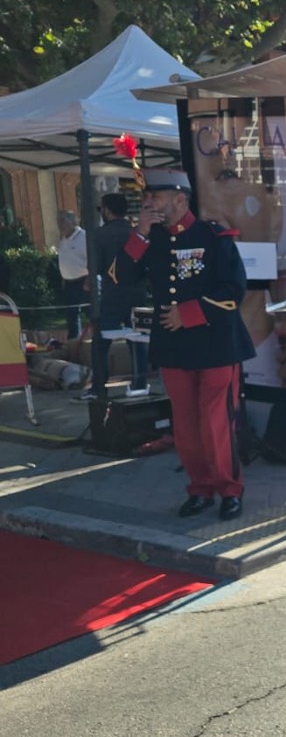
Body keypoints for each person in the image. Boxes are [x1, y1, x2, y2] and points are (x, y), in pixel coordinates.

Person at [112, 168, 254, 520]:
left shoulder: (213, 235)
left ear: (180, 198)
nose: (148, 203)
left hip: (216, 345)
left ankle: (229, 489)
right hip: (174, 348)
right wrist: (141, 233)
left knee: (215, 423)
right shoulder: (150, 239)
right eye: (146, 198)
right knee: (186, 425)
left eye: (154, 197)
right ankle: (201, 488)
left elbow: (233, 290)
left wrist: (187, 313)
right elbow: (118, 278)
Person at [83, 193, 151, 401]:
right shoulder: (136, 233)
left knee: (101, 342)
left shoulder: (99, 235)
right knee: (138, 341)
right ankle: (140, 383)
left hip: (112, 295)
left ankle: (98, 387)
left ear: (106, 210)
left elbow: (96, 267)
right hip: (138, 293)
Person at [55, 209, 88, 340]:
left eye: (63, 220)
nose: (60, 224)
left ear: (73, 221)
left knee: (92, 313)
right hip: (69, 283)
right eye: (58, 221)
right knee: (71, 316)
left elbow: (92, 259)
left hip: (84, 281)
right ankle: (74, 342)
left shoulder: (84, 237)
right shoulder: (63, 240)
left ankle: (99, 339)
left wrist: (90, 280)